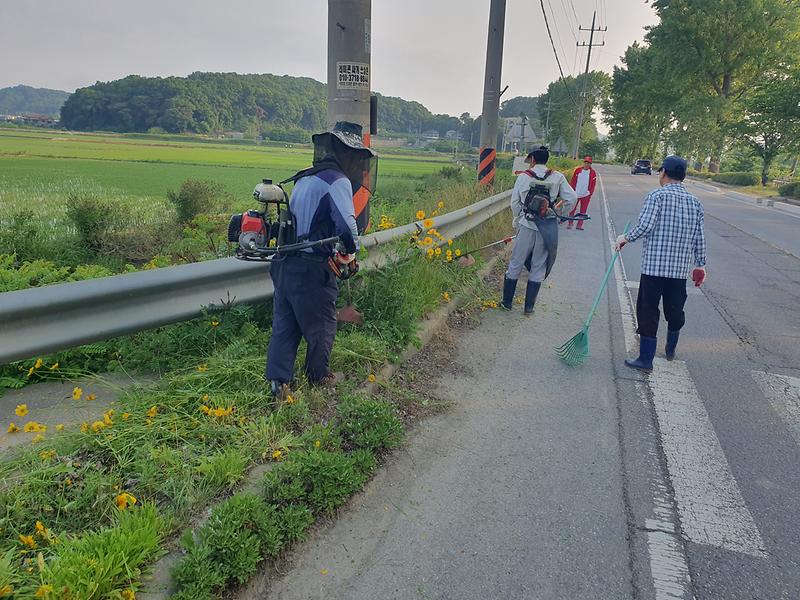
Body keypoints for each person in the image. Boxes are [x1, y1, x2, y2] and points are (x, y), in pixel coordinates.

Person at [265, 121, 376, 397]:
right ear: (346, 154)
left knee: (285, 325)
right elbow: (347, 227)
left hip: (285, 262)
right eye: (355, 156)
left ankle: (279, 383)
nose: (357, 164)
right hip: (311, 270)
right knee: (323, 325)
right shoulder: (335, 180)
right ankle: (318, 377)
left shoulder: (305, 177)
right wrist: (350, 253)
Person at [614, 155, 706, 372]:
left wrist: (625, 238)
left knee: (648, 311)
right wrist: (700, 264)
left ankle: (646, 360)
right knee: (675, 310)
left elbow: (645, 226)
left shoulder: (657, 196)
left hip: (654, 268)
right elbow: (699, 237)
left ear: (663, 172)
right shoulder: (695, 203)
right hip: (679, 271)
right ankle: (671, 348)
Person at [502, 146, 577, 314]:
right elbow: (572, 198)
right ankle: (529, 308)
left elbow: (514, 203)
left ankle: (507, 303)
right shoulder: (557, 177)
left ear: (533, 160)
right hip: (546, 228)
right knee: (538, 266)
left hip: (526, 225)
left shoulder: (523, 177)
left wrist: (518, 218)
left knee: (516, 263)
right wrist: (558, 214)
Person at [567, 156, 597, 231]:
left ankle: (579, 225)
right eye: (586, 162)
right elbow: (573, 181)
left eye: (589, 163)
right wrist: (571, 190)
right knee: (572, 209)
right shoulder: (578, 170)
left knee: (583, 210)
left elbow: (593, 183)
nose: (587, 164)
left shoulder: (593, 173)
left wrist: (590, 192)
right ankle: (570, 223)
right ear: (583, 162)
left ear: (590, 164)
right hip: (576, 193)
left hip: (586, 195)